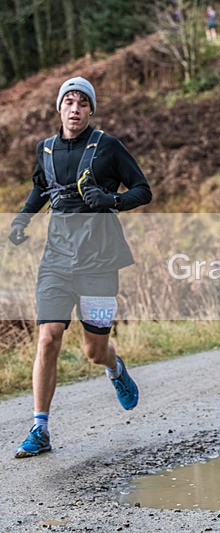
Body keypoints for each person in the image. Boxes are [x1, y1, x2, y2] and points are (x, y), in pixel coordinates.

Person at [8, 77, 152, 458]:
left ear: (90, 110)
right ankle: (40, 427)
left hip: (99, 263)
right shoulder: (46, 150)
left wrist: (111, 200)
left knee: (93, 350)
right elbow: (41, 189)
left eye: (82, 103)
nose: (74, 109)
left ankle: (115, 368)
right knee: (48, 336)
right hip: (56, 260)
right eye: (68, 102)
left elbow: (143, 190)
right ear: (59, 108)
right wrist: (22, 218)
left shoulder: (108, 147)